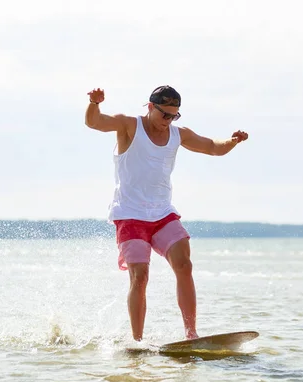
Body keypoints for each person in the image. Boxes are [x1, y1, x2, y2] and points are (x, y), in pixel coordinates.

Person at [84, 85, 248, 341]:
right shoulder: (129, 126)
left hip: (162, 214)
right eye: (165, 115)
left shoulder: (177, 135)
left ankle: (191, 334)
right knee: (140, 276)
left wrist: (233, 141)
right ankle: (137, 341)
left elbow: (213, 147)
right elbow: (94, 123)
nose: (169, 121)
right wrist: (94, 103)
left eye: (174, 116)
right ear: (150, 107)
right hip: (130, 215)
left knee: (184, 264)